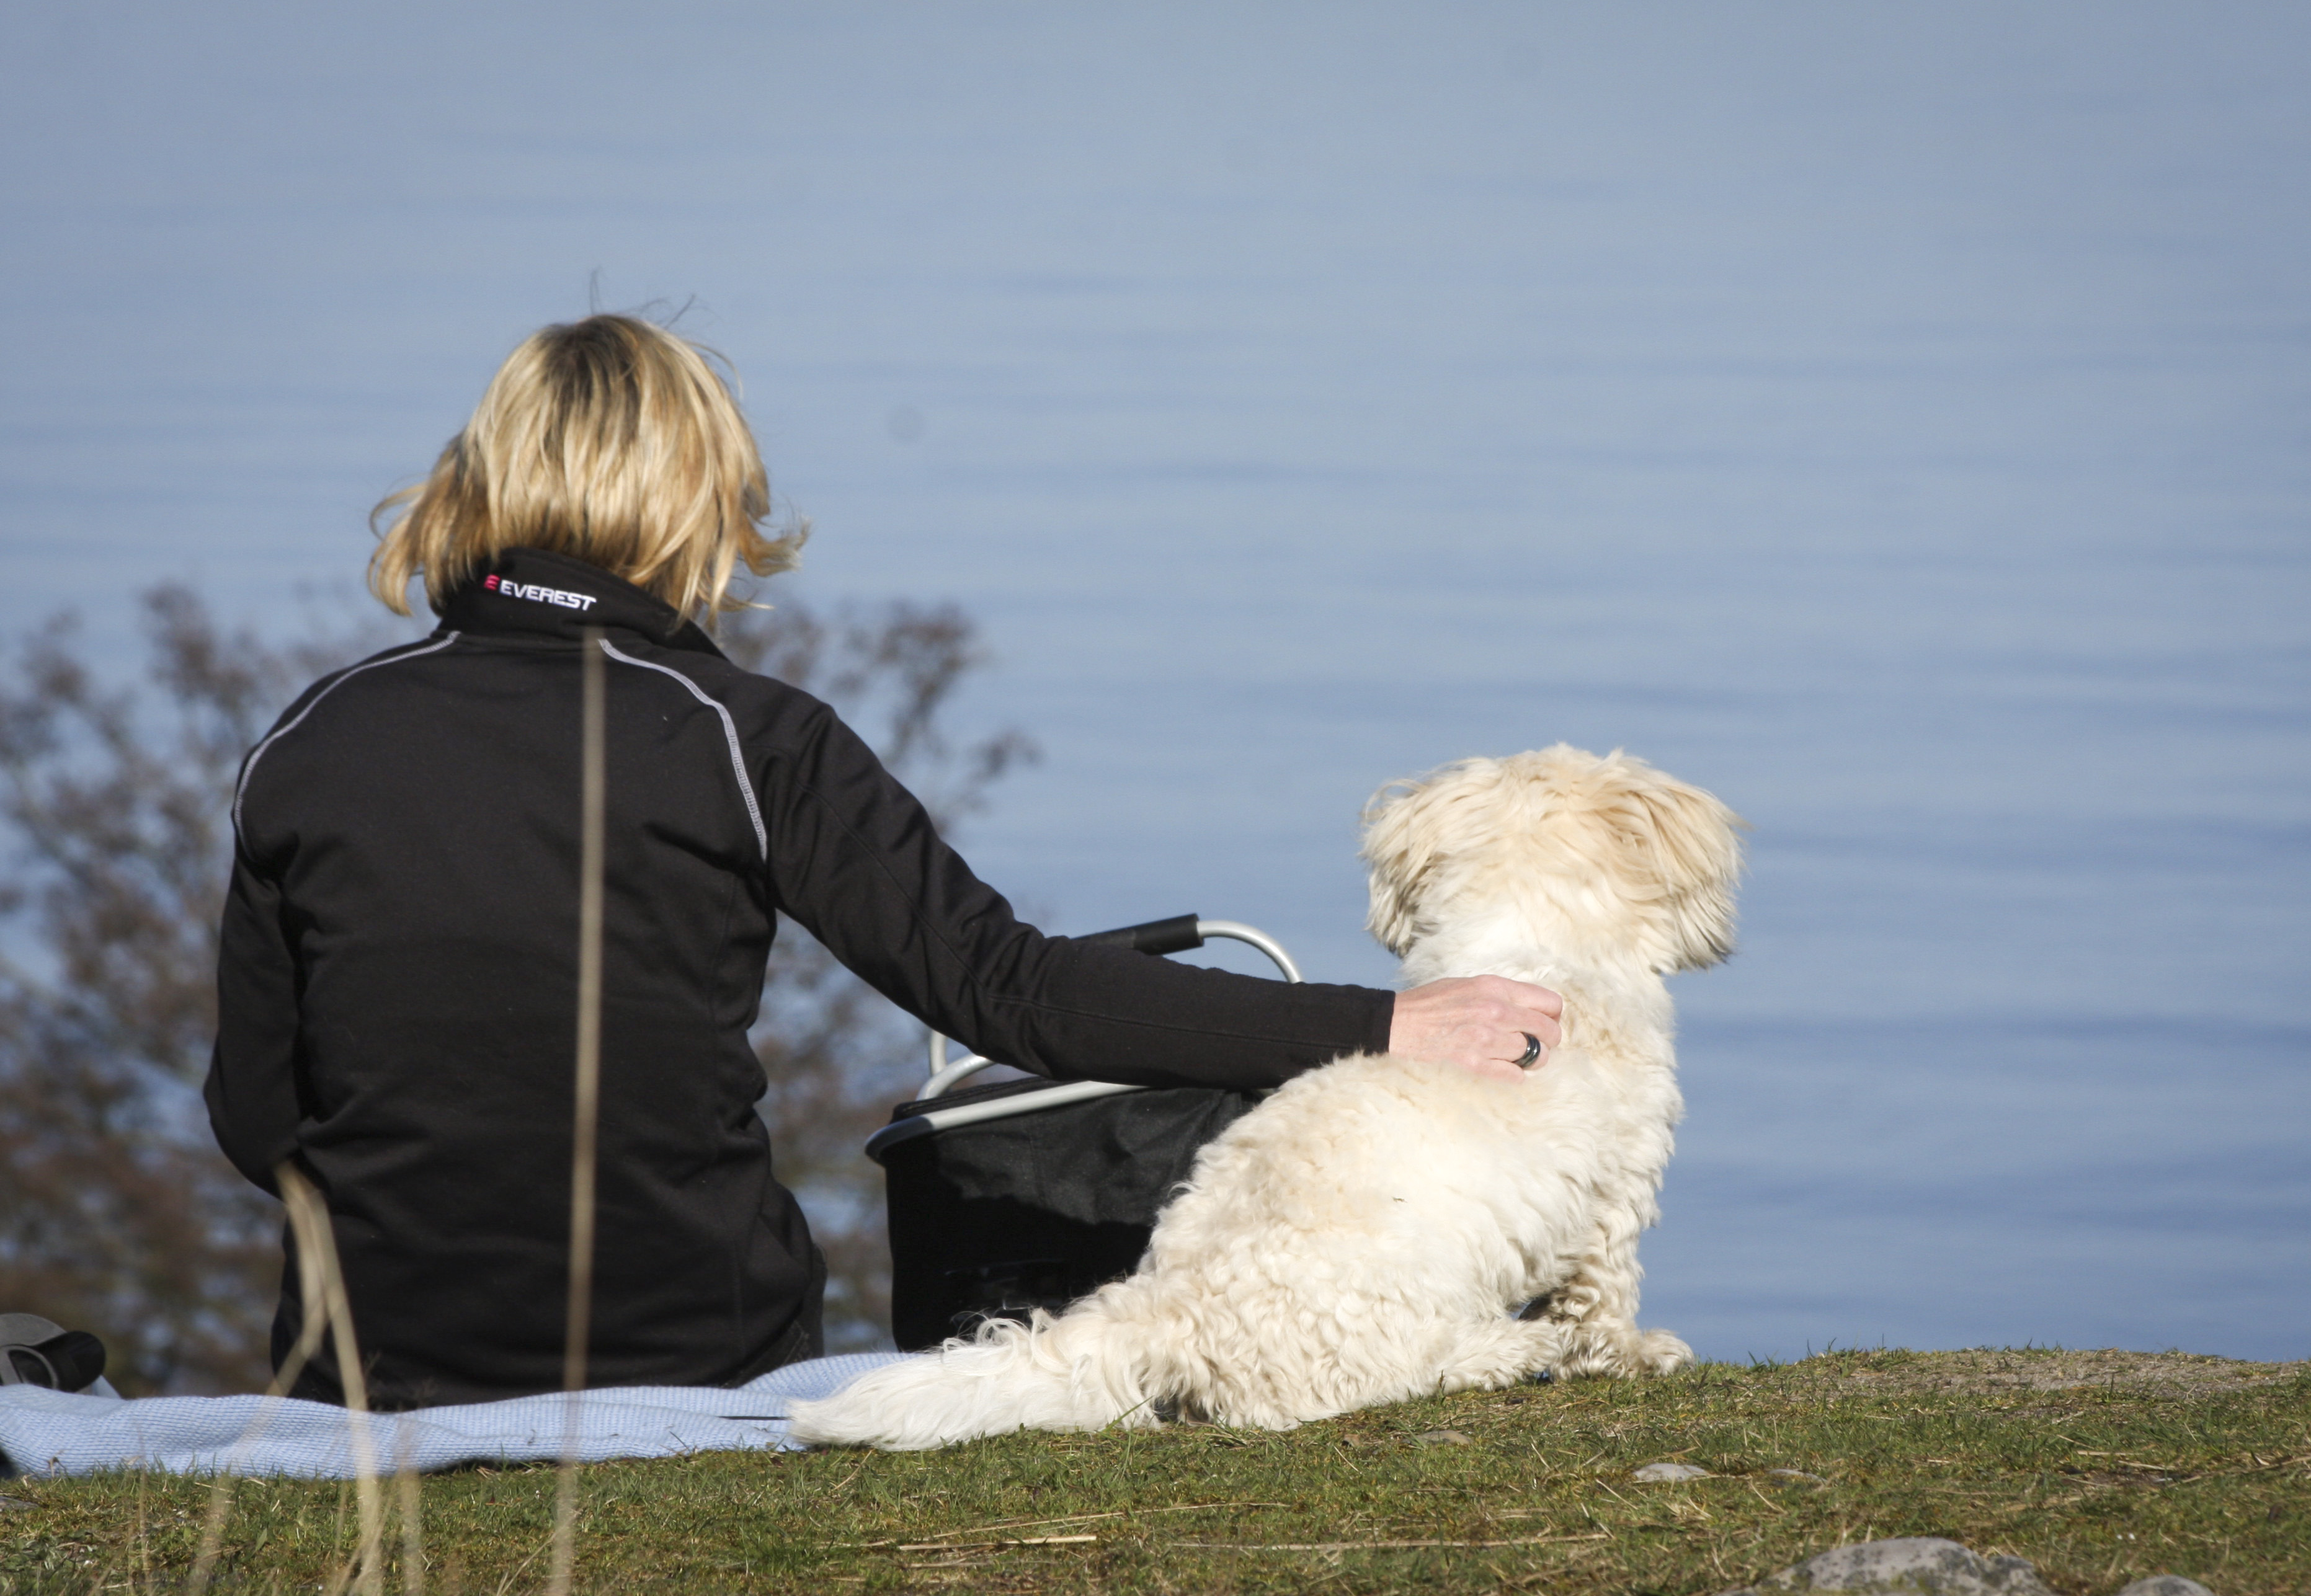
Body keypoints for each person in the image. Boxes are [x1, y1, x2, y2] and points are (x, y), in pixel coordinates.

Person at [204, 314, 1563, 1409]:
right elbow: (1012, 994)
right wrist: (1384, 1023)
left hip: (365, 1376)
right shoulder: (740, 740)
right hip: (688, 1357)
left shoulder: (314, 739)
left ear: (482, 487)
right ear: (692, 502)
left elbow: (257, 1120)